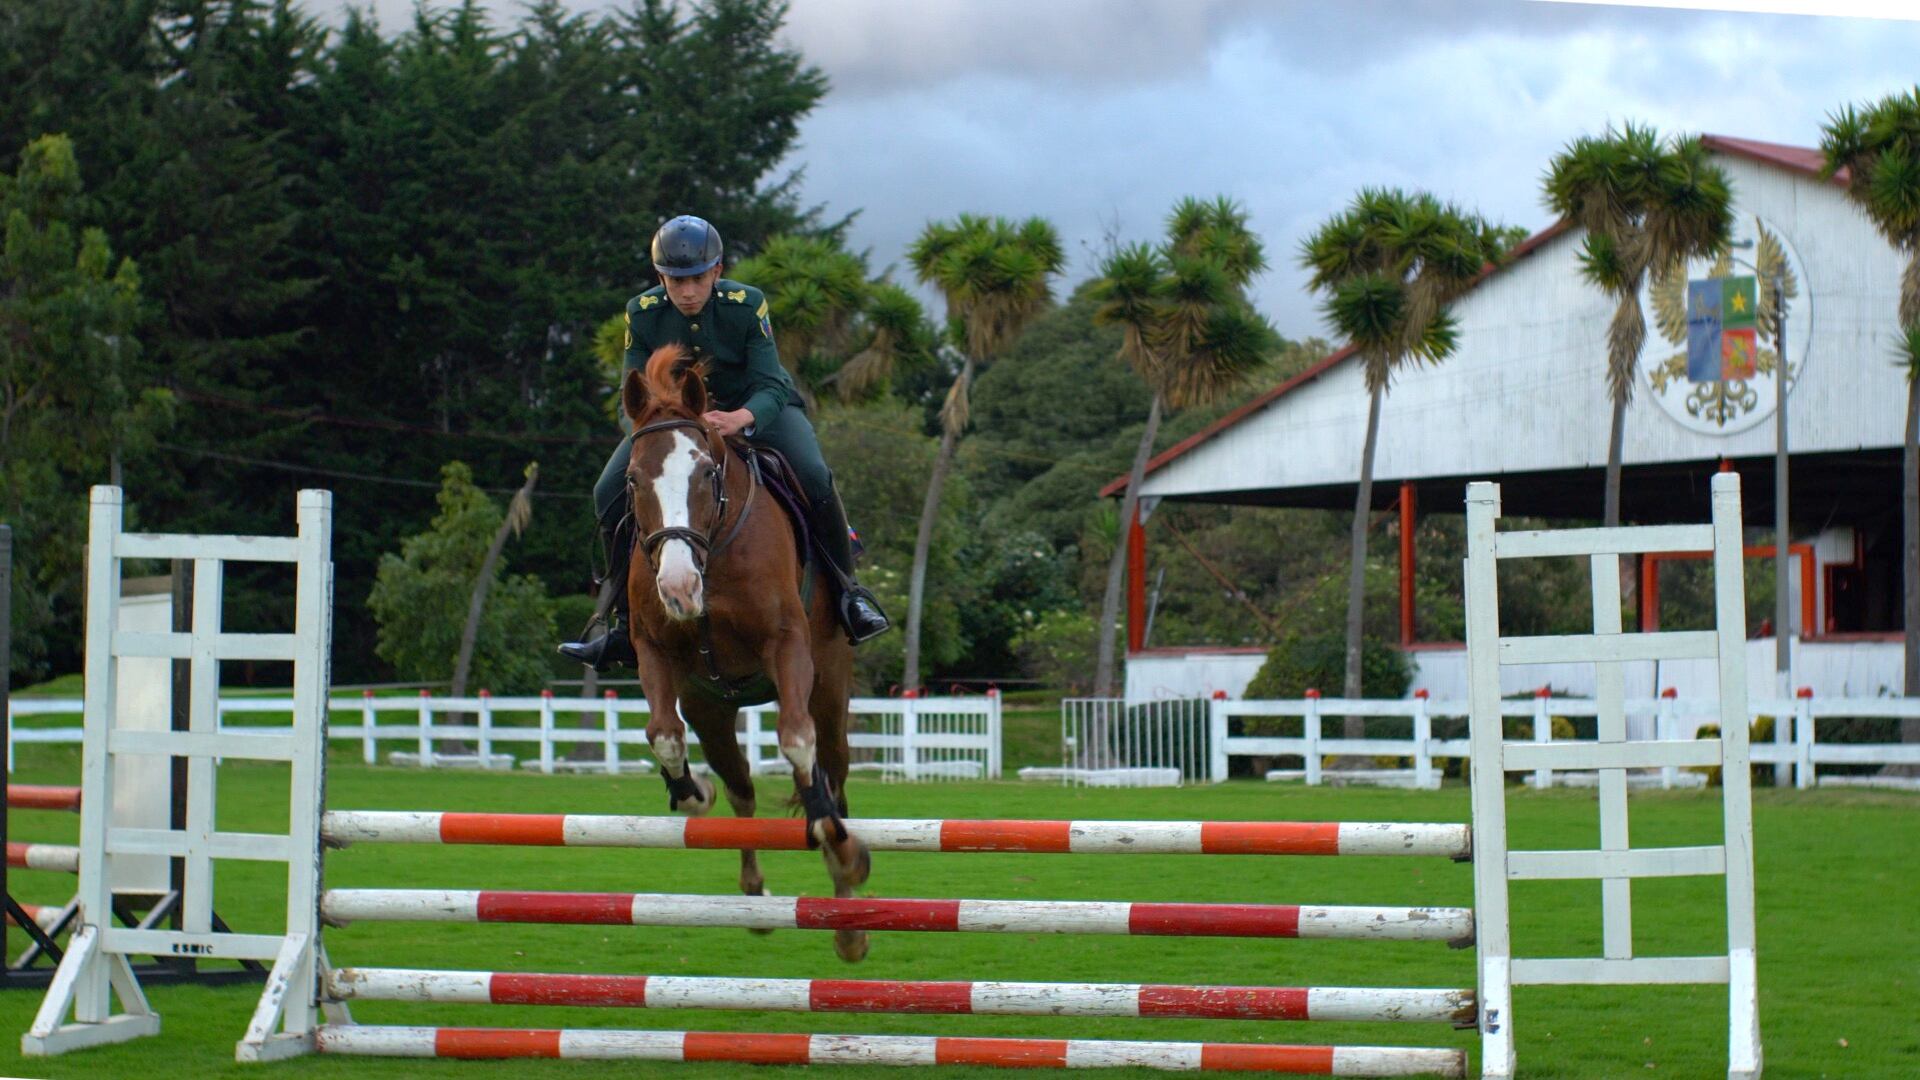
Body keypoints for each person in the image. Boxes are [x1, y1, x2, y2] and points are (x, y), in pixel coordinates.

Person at [559, 215, 891, 670]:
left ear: (716, 271)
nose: (688, 291)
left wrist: (740, 418)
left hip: (755, 409)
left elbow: (771, 384)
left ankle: (851, 595)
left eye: (697, 278)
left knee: (814, 473)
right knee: (605, 490)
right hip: (672, 425)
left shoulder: (746, 304)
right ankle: (620, 621)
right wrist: (659, 431)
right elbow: (628, 401)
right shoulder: (641, 312)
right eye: (676, 281)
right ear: (661, 278)